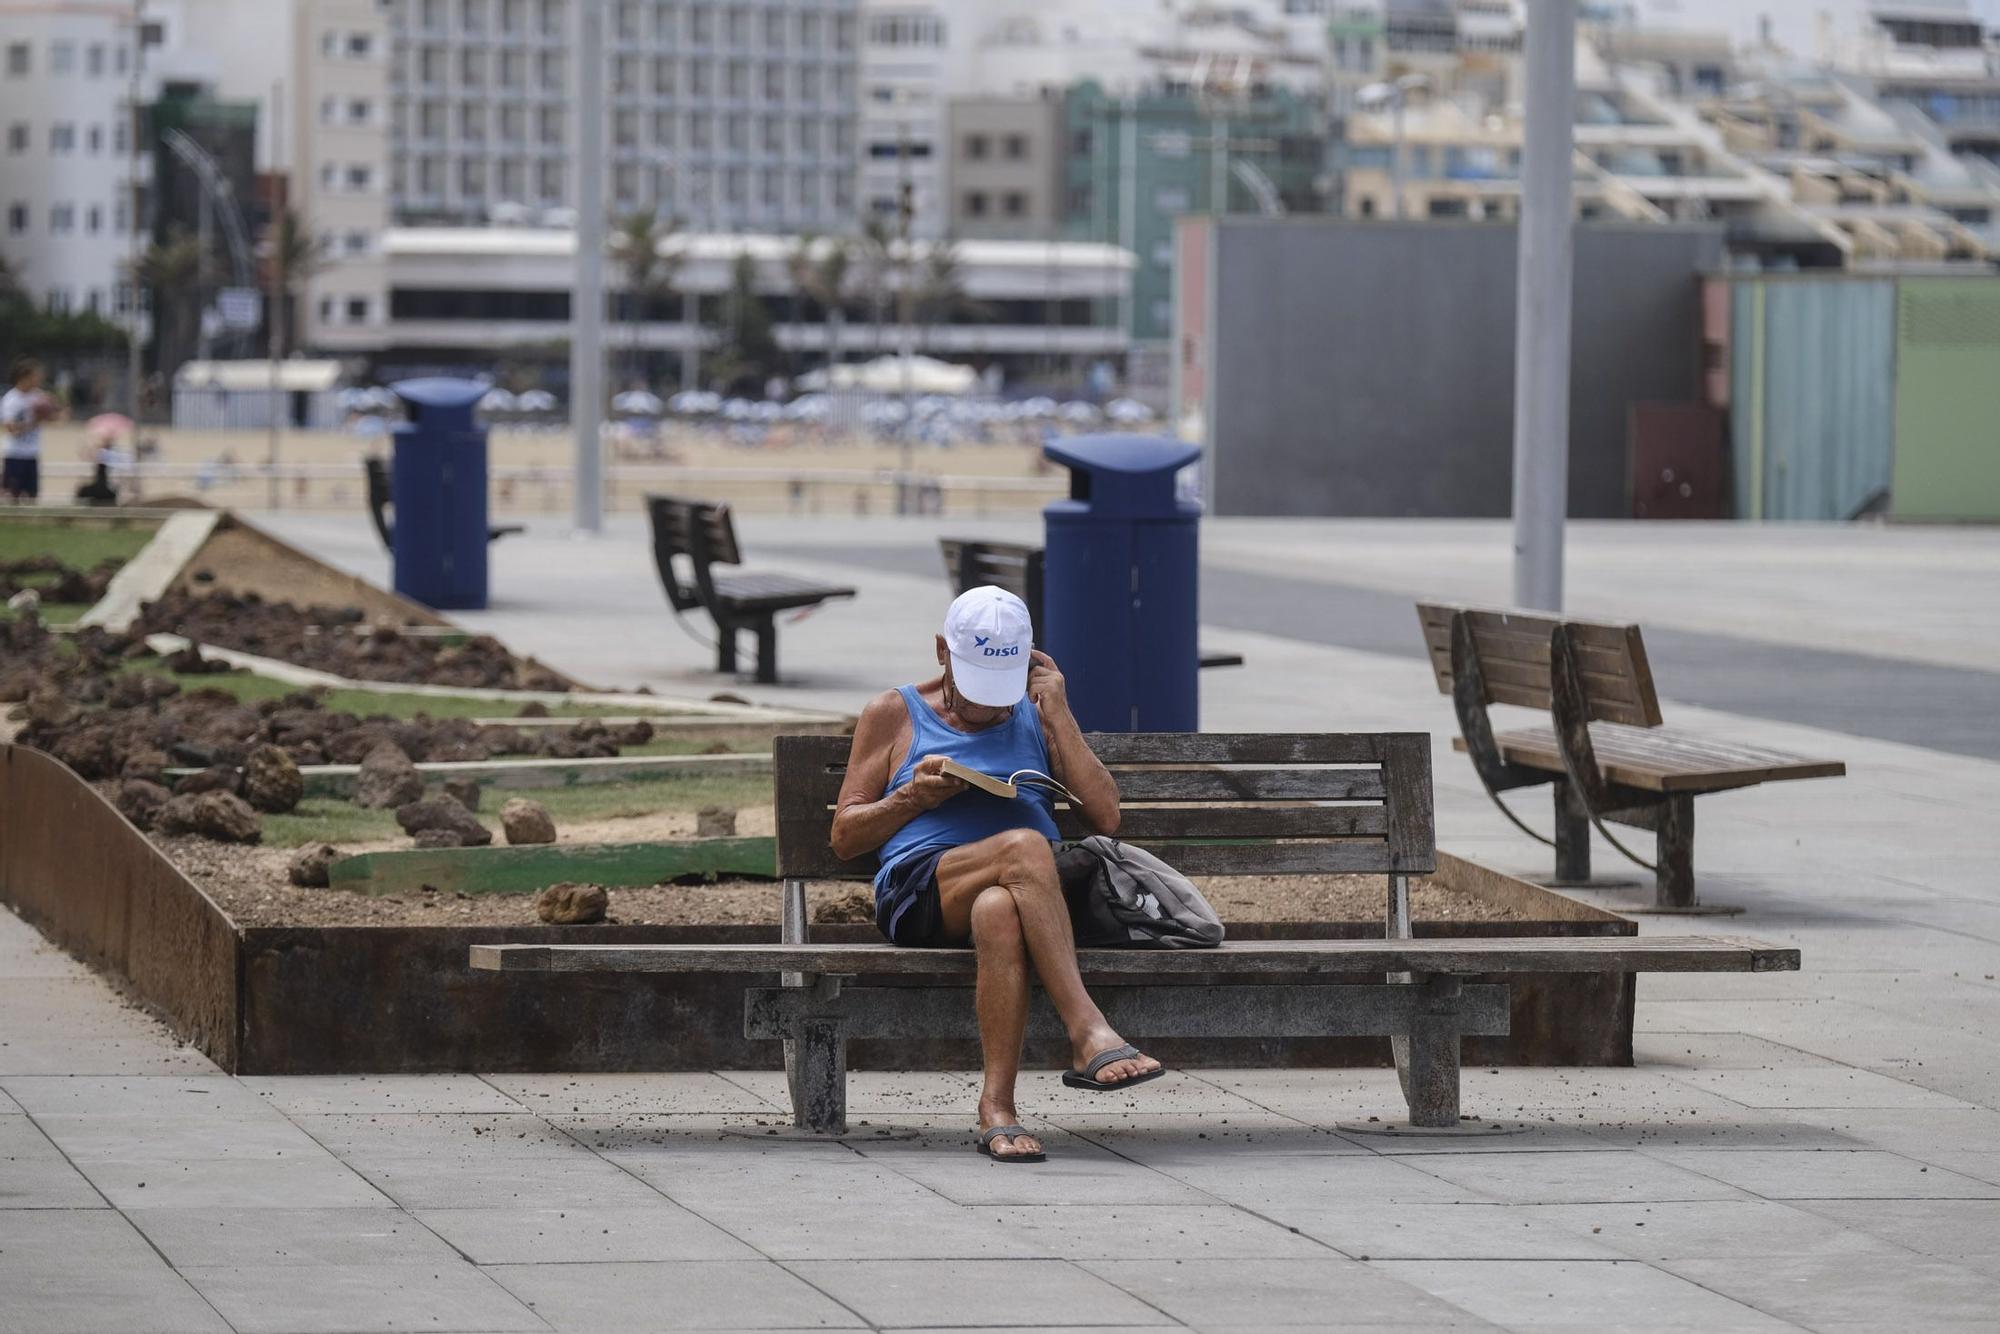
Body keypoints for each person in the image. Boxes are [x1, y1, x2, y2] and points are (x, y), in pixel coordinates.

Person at [831, 586, 1163, 1163]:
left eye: (999, 691)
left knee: (998, 909)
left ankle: (997, 1111)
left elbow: (1106, 818)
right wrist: (913, 799)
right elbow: (844, 837)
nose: (988, 709)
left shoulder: (1036, 712)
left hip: (1025, 898)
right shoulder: (894, 712)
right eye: (976, 689)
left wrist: (1058, 715)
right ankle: (1086, 1030)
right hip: (921, 890)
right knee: (1024, 847)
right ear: (942, 652)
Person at [2, 358, 49, 502]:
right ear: (24, 377)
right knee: (13, 495)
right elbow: (10, 428)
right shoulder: (11, 399)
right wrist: (33, 421)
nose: (39, 379)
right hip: (15, 454)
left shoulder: (39, 396)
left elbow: (57, 416)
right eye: (35, 376)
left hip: (32, 453)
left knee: (32, 495)